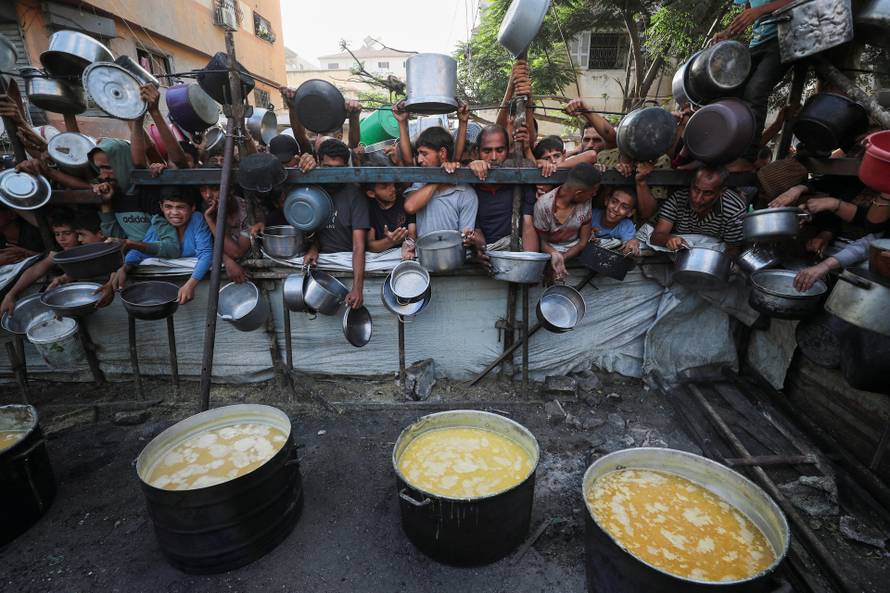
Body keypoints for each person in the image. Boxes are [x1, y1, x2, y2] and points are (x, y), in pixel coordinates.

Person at [712, 1, 795, 160]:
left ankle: (747, 158)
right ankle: (727, 151)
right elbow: (747, 13)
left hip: (783, 37)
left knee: (755, 92)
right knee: (732, 91)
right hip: (758, 41)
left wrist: (760, 11)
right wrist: (728, 32)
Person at [1, 212, 113, 317]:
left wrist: (65, 277)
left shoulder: (94, 244)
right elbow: (37, 269)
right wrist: (11, 294)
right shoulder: (59, 250)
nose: (61, 239)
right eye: (57, 234)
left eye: (67, 233)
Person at [113, 188, 212, 304]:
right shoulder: (159, 224)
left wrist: (190, 285)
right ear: (161, 207)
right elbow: (140, 251)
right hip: (164, 290)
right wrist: (124, 268)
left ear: (193, 208)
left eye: (180, 207)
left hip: (197, 287)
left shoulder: (196, 219)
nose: (174, 212)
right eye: (168, 207)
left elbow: (206, 253)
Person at [303, 139, 368, 309]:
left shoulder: (354, 195)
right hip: (321, 268)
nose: (332, 174)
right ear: (318, 163)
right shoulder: (312, 190)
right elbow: (315, 231)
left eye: (337, 169)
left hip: (348, 264)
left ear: (346, 166)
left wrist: (357, 288)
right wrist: (314, 248)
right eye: (327, 168)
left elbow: (358, 246)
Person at [465, 125, 537, 252]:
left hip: (515, 249)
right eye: (487, 151)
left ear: (509, 151)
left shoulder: (520, 181)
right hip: (485, 252)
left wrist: (528, 261)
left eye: (499, 150)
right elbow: (476, 231)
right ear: (477, 153)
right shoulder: (470, 186)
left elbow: (528, 226)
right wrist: (481, 251)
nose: (493, 157)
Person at [402, 127, 478, 237]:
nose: (419, 160)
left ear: (442, 153)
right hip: (423, 253)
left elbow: (465, 237)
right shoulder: (420, 183)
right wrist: (440, 177)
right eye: (418, 154)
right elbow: (410, 207)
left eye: (424, 154)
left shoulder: (465, 193)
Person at [650, 167, 746, 254]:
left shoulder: (735, 210)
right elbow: (656, 236)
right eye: (695, 189)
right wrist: (669, 239)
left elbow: (733, 250)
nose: (697, 199)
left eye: (707, 193)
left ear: (721, 192)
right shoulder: (678, 199)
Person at [534, 163, 601, 280]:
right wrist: (554, 254)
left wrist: (562, 258)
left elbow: (583, 242)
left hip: (574, 250)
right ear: (578, 193)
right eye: (592, 192)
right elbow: (542, 242)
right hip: (549, 251)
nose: (594, 195)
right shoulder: (544, 205)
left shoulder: (586, 202)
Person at [199, 174, 251, 283]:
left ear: (230, 190)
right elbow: (206, 245)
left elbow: (237, 253)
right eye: (203, 190)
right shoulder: (205, 211)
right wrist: (226, 260)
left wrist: (211, 221)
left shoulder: (245, 209)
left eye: (215, 189)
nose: (208, 195)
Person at [364, 181, 416, 254]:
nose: (392, 189)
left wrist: (408, 246)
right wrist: (390, 241)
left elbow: (412, 234)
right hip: (381, 257)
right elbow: (371, 246)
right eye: (384, 187)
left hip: (404, 252)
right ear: (371, 193)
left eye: (392, 184)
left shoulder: (405, 202)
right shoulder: (370, 209)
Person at [591, 187, 641, 255]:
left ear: (630, 213)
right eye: (614, 202)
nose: (616, 209)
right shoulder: (590, 216)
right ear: (607, 200)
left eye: (624, 207)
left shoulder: (626, 226)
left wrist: (632, 243)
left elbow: (629, 247)